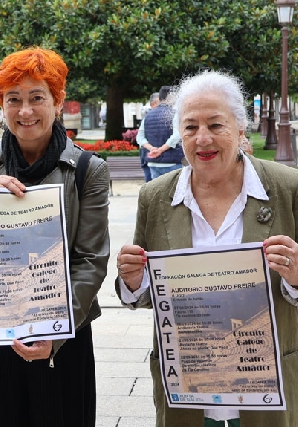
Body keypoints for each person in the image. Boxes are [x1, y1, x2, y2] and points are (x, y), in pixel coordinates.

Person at [0, 47, 110, 426]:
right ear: (1, 105)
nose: (25, 111)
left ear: (58, 101)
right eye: (13, 99)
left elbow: (92, 261)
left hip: (64, 332)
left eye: (37, 98)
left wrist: (57, 334)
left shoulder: (86, 170)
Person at [116, 70, 298, 427]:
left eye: (216, 125)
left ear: (240, 127)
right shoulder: (155, 197)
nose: (202, 139)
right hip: (187, 394)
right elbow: (142, 294)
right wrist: (133, 279)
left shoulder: (287, 189)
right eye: (190, 127)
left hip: (269, 394)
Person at [136, 85, 185, 180]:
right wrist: (161, 150)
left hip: (153, 162)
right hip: (172, 162)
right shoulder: (174, 114)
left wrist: (152, 149)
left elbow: (140, 138)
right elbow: (176, 136)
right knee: (174, 192)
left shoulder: (147, 116)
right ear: (170, 97)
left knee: (157, 192)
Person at [137, 92, 160, 182]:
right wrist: (151, 148)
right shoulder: (147, 118)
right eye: (160, 103)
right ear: (152, 104)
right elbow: (140, 138)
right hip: (148, 158)